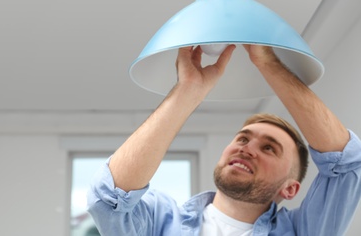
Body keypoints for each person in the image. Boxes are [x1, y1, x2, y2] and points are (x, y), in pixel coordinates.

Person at [87, 45, 361, 235]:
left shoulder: (305, 231)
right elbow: (109, 198)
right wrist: (188, 90)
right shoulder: (160, 220)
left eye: (269, 148)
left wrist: (267, 63)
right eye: (243, 138)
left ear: (289, 189)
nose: (248, 148)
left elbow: (347, 162)